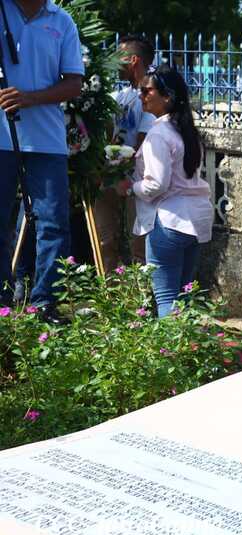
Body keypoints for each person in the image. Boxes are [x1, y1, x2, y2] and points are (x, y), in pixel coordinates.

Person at [0, 0, 83, 322]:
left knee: (53, 221)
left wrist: (29, 98)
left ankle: (45, 302)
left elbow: (74, 83)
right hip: (1, 138)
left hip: (47, 140)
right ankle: (3, 297)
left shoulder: (62, 21)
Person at [118, 65, 213, 318]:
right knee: (184, 296)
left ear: (167, 97)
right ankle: (186, 342)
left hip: (170, 220)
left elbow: (157, 184)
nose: (141, 96)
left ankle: (168, 344)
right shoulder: (186, 130)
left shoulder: (159, 134)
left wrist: (130, 187)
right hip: (195, 220)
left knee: (166, 298)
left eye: (147, 91)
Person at [92, 34, 156, 272]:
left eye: (119, 56)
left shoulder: (151, 95)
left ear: (133, 60)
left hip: (137, 179)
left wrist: (119, 173)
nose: (114, 63)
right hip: (112, 176)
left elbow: (142, 143)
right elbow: (110, 134)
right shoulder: (123, 95)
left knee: (138, 244)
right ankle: (107, 287)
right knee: (105, 239)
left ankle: (140, 293)